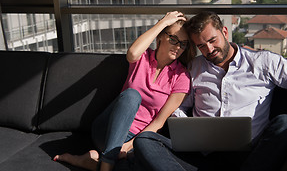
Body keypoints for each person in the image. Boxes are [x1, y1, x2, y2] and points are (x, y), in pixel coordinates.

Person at [132, 11, 287, 171]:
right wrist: (185, 125)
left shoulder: (261, 61)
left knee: (286, 123)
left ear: (224, 31)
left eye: (212, 40)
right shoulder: (194, 68)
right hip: (202, 156)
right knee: (145, 141)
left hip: (251, 157)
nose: (209, 49)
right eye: (201, 46)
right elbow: (179, 105)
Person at [53, 11, 196, 171]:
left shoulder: (182, 77)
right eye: (173, 39)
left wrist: (128, 146)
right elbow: (132, 53)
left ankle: (91, 161)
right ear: (161, 37)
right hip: (106, 130)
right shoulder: (142, 57)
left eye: (183, 44)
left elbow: (158, 122)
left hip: (136, 139)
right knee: (132, 96)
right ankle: (106, 165)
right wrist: (162, 23)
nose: (177, 47)